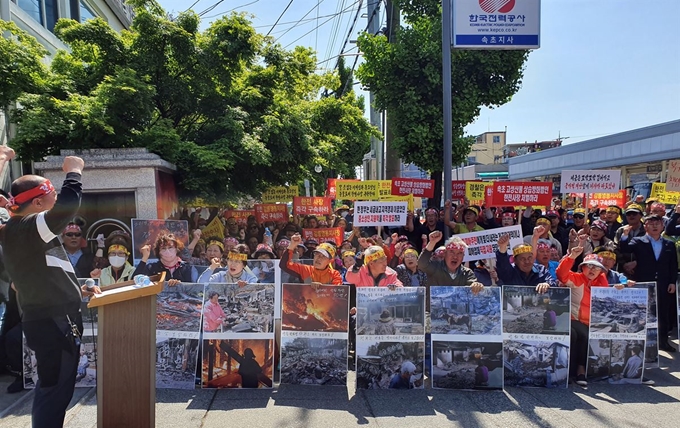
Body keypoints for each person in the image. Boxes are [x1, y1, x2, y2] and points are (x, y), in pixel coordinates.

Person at [0, 152, 102, 427]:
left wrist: (76, 291)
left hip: (53, 319)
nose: (55, 199)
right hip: (53, 323)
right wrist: (74, 171)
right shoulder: (26, 227)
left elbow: (45, 273)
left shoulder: (19, 230)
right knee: (53, 390)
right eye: (51, 194)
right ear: (36, 202)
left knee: (57, 389)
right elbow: (68, 206)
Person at [619, 214, 678, 352]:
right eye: (651, 223)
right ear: (645, 227)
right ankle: (642, 342)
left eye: (657, 223)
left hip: (663, 284)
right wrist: (625, 235)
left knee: (662, 313)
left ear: (662, 226)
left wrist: (672, 282)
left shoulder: (669, 244)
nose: (655, 226)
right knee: (643, 313)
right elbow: (625, 249)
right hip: (644, 282)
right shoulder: (639, 241)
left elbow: (673, 265)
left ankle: (663, 341)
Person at [556, 248, 612, 387]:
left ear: (601, 271)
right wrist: (572, 257)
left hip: (594, 322)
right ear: (583, 267)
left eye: (597, 267)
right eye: (589, 266)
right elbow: (561, 274)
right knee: (582, 333)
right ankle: (579, 370)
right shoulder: (577, 278)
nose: (592, 270)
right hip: (572, 320)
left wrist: (623, 286)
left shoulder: (602, 281)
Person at [417, 232, 482, 291]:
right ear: (445, 254)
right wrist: (432, 242)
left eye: (459, 253)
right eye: (452, 252)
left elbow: (472, 285)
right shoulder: (435, 267)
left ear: (463, 257)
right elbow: (421, 264)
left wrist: (476, 286)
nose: (455, 257)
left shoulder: (467, 273)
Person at [133, 232, 198, 284]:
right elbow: (134, 282)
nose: (167, 252)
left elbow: (194, 290)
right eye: (163, 249)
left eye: (170, 248)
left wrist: (180, 286)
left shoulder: (188, 268)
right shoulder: (152, 268)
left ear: (177, 249)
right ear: (159, 252)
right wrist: (145, 257)